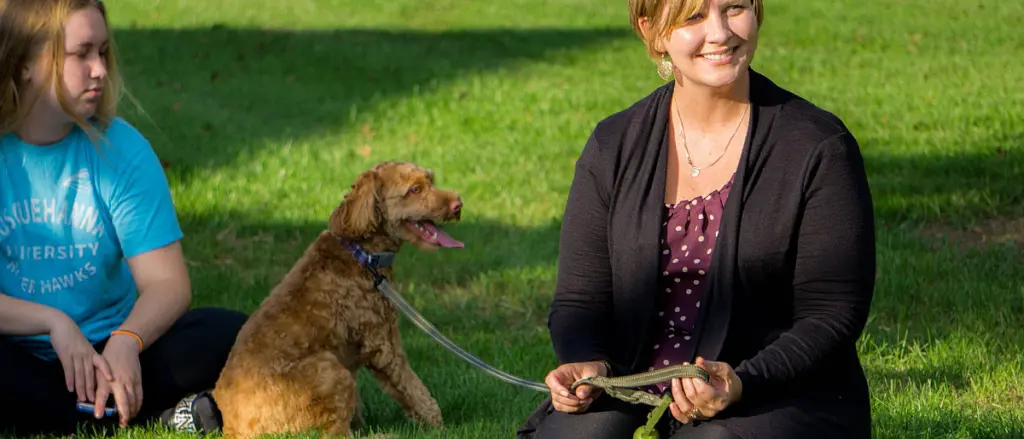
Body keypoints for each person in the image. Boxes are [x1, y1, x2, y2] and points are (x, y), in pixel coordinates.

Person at [517, 0, 876, 438]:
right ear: (653, 33)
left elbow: (831, 312)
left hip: (778, 392)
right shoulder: (613, 145)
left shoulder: (818, 147)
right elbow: (580, 299)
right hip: (636, 388)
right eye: (694, 17)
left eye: (735, 8)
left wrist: (742, 382)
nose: (721, 32)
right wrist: (587, 360)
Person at [0, 0, 247, 437]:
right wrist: (53, 323)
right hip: (20, 352)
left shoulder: (122, 150)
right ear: (24, 65)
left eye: (104, 52)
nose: (99, 69)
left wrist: (127, 340)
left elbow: (167, 284)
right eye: (81, 54)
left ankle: (91, 408)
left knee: (231, 333)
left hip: (113, 351)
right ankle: (156, 414)